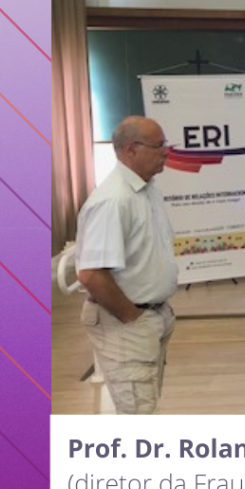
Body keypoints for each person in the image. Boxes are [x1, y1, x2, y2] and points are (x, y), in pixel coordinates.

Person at [75, 116, 178, 414]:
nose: (166, 151)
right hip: (127, 323)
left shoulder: (148, 189)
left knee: (146, 407)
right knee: (138, 416)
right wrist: (134, 318)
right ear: (131, 149)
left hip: (151, 317)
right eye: (158, 146)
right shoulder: (113, 200)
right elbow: (92, 274)